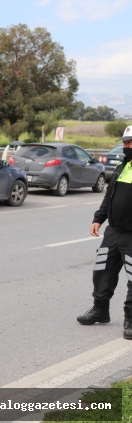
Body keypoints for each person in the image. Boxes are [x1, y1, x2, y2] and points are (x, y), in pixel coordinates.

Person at [77, 126, 132, 337]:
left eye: (130, 143)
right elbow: (109, 197)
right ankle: (100, 309)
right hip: (113, 232)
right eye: (125, 142)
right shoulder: (121, 167)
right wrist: (98, 219)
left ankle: (130, 319)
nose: (127, 146)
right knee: (102, 270)